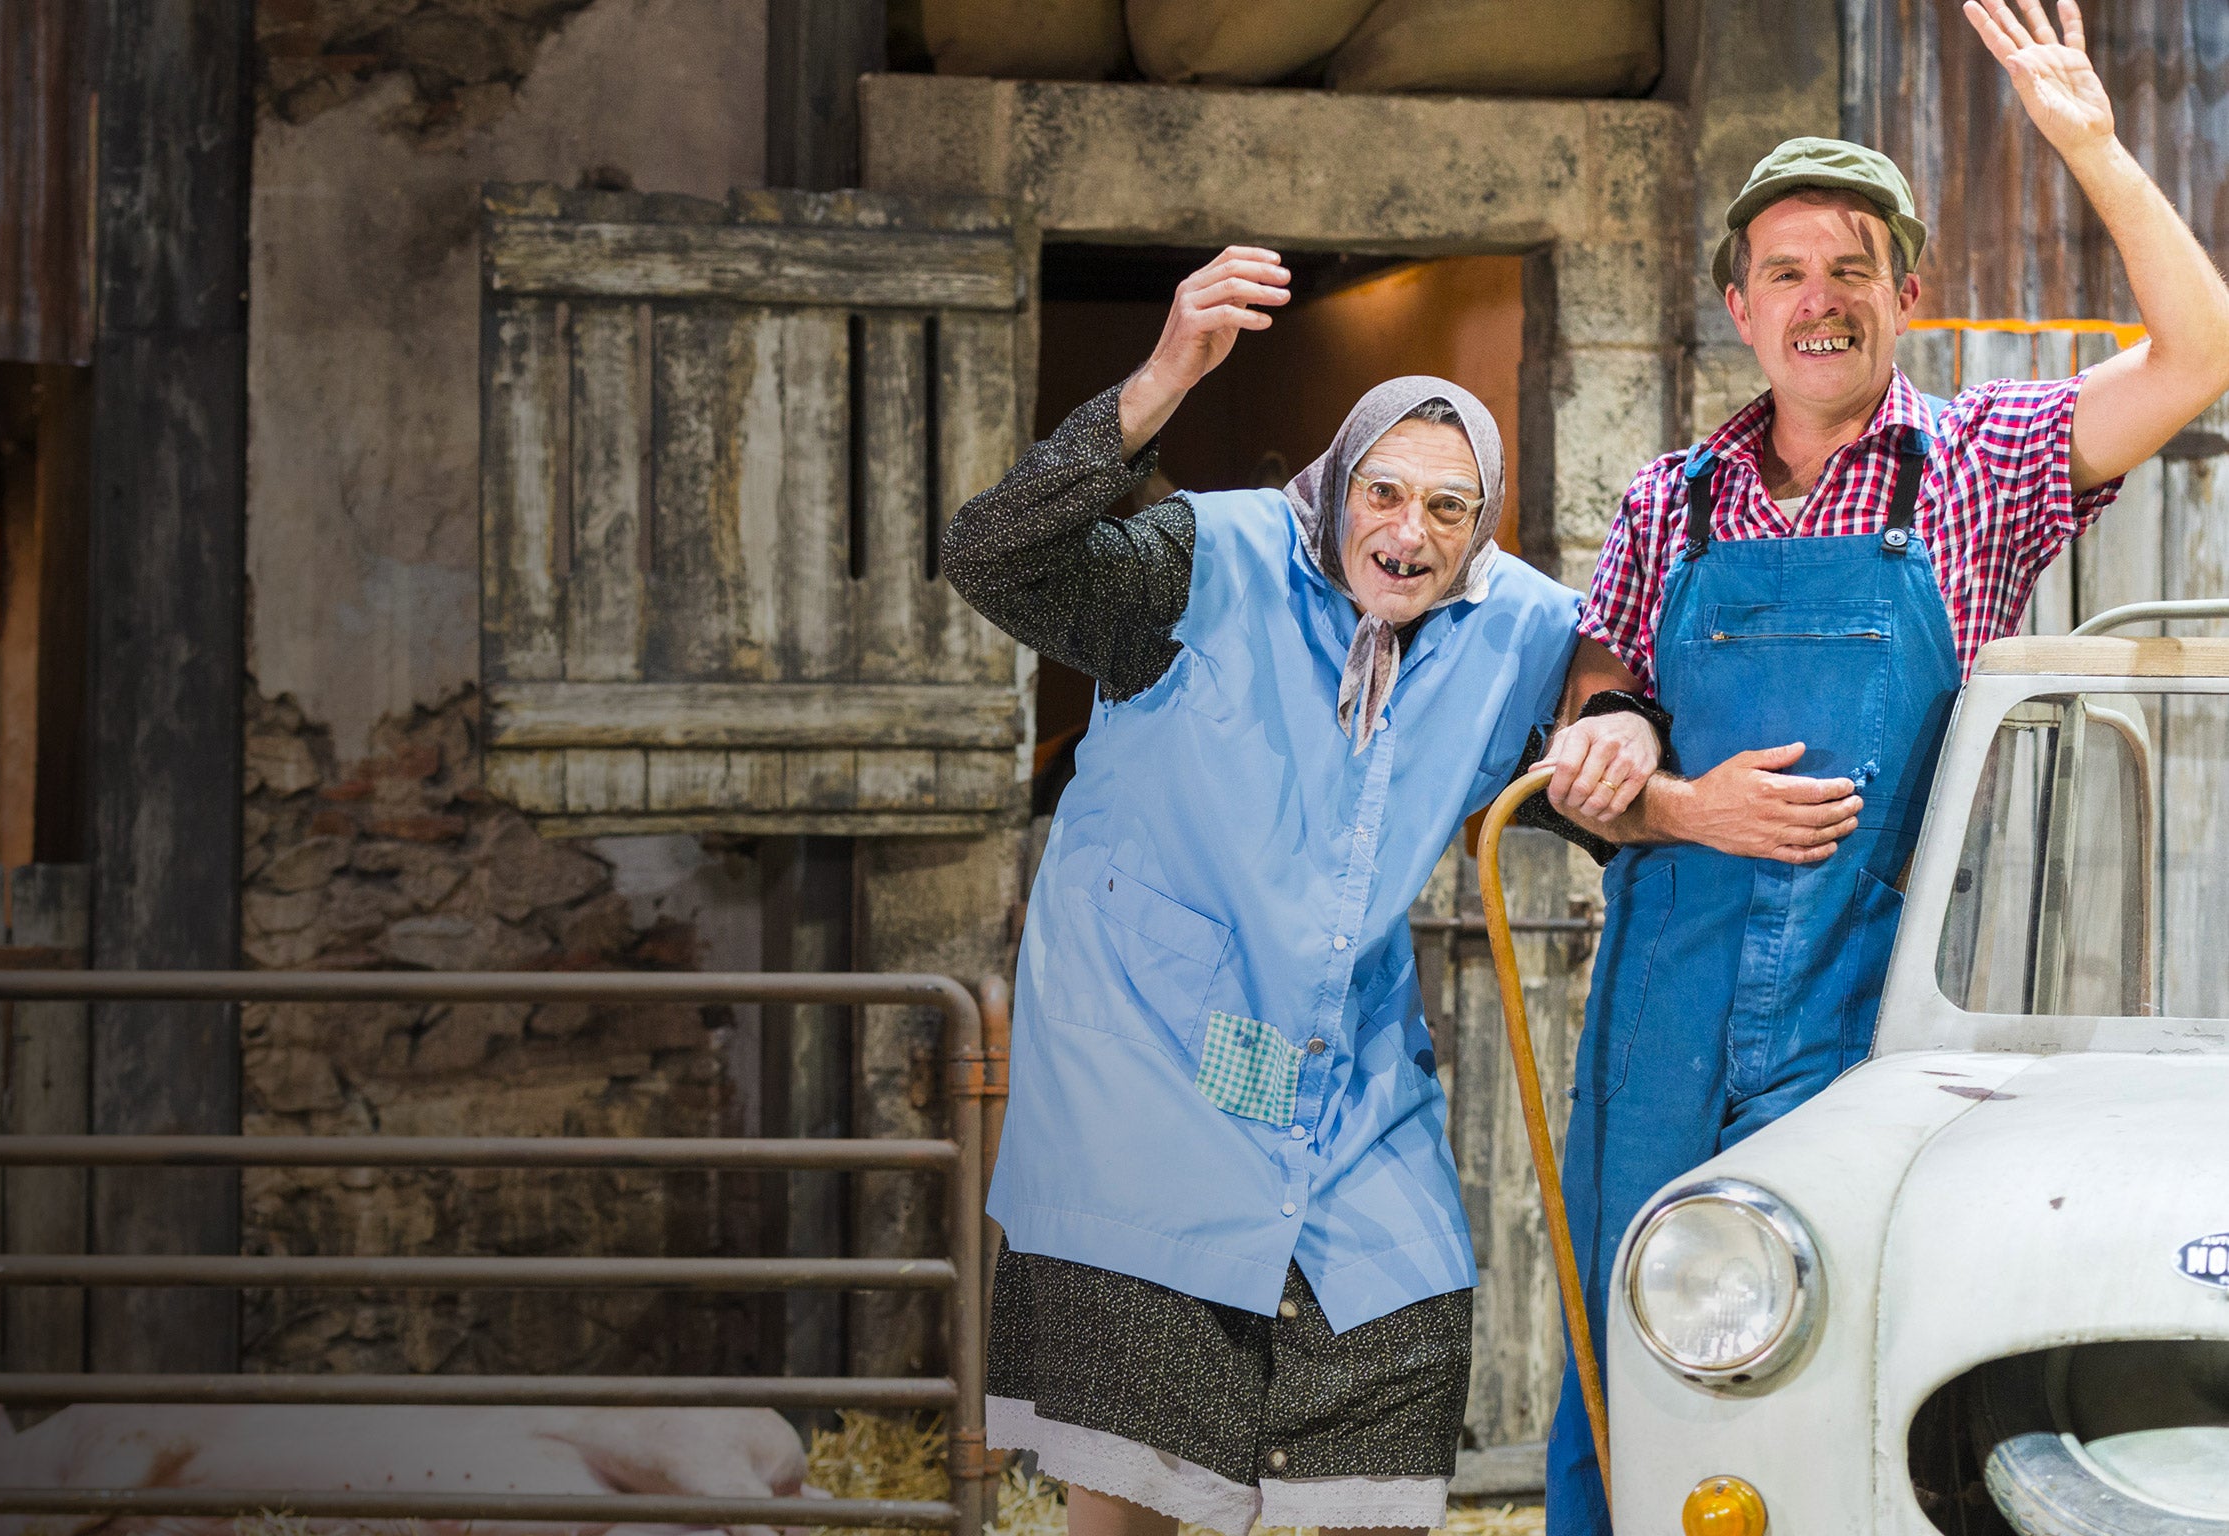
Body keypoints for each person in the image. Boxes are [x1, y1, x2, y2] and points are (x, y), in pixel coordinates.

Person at [1533, 5, 2229, 1530]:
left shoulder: (1979, 468)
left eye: (1853, 267)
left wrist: (2093, 148)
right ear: (1739, 306)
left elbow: (2198, 354)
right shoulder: (1676, 497)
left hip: (1870, 1004)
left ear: (1909, 293)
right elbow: (1602, 696)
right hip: (1665, 997)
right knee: (1619, 1362)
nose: (1820, 297)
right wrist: (1649, 776)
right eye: (1785, 271)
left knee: (1834, 1376)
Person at [945, 247, 1610, 1536]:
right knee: (1136, 1428)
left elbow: (1605, 728)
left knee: (1399, 1324)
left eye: (1449, 509)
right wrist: (1168, 373)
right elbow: (992, 556)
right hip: (1144, 1047)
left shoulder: (1511, 628)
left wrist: (1641, 747)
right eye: (1384, 492)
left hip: (1321, 1059)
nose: (1407, 533)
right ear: (1335, 486)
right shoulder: (1208, 561)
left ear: (1481, 530)